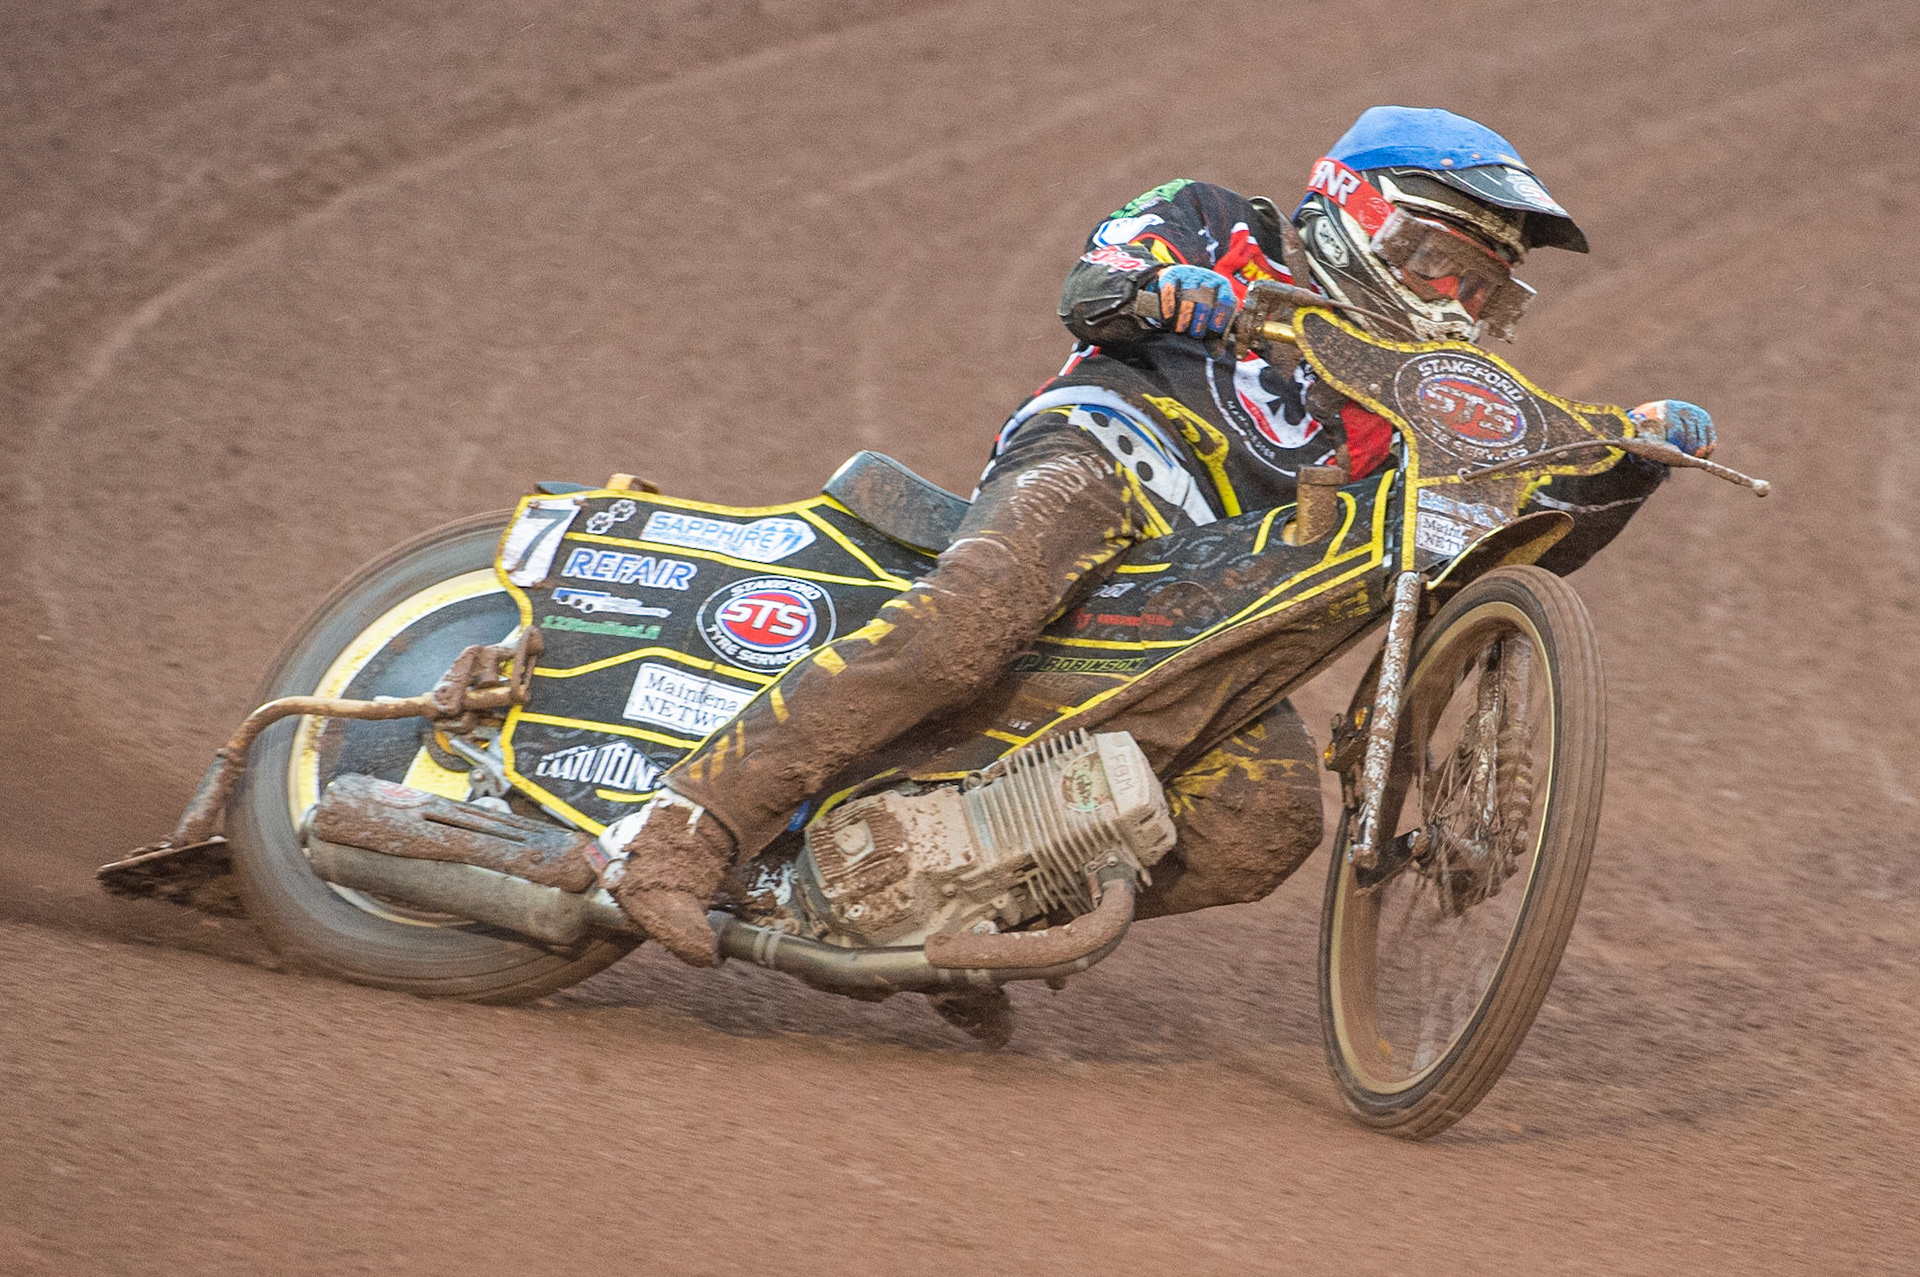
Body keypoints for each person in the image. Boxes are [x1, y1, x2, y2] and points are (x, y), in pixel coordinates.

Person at [587, 105, 1719, 973]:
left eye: (1483, 291)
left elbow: (1502, 550)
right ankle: (688, 826)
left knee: (1265, 813)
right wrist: (1171, 291)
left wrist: (1624, 459)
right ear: (1356, 212)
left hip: (1208, 592)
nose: (1455, 303)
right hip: (1111, 454)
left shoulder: (1413, 409)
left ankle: (951, 905)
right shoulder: (1222, 224)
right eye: (1439, 261)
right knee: (973, 621)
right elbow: (1095, 286)